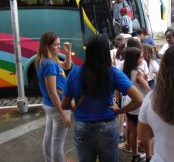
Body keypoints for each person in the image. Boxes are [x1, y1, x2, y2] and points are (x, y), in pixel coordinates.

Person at [61, 34, 143, 162]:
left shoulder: (75, 72)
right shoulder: (114, 73)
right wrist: (119, 110)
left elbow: (64, 105)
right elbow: (139, 99)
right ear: (105, 52)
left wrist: (74, 106)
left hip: (83, 127)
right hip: (107, 127)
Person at [35, 32, 72, 162]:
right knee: (58, 143)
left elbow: (67, 66)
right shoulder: (49, 64)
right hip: (58, 106)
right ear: (47, 46)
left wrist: (68, 52)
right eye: (56, 45)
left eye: (59, 44)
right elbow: (52, 92)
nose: (59, 47)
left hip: (49, 105)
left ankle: (49, 160)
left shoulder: (48, 59)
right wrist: (63, 114)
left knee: (49, 136)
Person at [122, 47, 151, 162]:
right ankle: (149, 157)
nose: (143, 58)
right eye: (141, 57)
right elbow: (148, 90)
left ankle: (135, 155)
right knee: (146, 133)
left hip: (129, 104)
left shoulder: (126, 71)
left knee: (133, 130)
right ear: (135, 59)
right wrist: (144, 79)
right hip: (139, 107)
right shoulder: (138, 73)